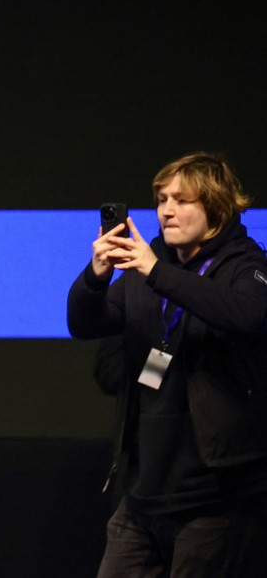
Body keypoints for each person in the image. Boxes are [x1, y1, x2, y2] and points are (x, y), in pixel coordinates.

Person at [67, 152, 267, 576]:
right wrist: (95, 276)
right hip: (143, 492)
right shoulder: (148, 263)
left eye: (182, 199)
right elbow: (84, 324)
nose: (166, 210)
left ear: (215, 205)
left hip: (212, 500)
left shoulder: (244, 264)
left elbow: (247, 315)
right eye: (161, 199)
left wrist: (156, 271)